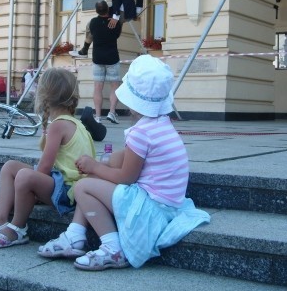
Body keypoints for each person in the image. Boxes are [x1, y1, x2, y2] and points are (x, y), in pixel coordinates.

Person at [38, 55, 210, 270]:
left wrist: (96, 166)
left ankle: (113, 248)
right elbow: (131, 156)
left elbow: (127, 177)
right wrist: (106, 163)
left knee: (83, 185)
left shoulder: (141, 132)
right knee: (92, 179)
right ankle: (75, 235)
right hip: (166, 205)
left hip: (150, 210)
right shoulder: (162, 124)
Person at [0, 68, 96, 248]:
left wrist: (31, 188)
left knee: (25, 176)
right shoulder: (75, 123)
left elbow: (44, 168)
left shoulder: (58, 126)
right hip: (67, 184)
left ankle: (18, 228)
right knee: (10, 167)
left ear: (43, 95)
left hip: (68, 193)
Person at [70, 0, 144, 58]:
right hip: (128, 12)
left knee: (91, 25)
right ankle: (86, 50)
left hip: (120, 12)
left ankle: (84, 51)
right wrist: (136, 12)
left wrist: (115, 16)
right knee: (104, 10)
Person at [89, 0, 122, 124]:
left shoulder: (93, 22)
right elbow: (117, 35)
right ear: (107, 9)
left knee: (98, 87)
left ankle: (97, 116)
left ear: (97, 10)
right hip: (112, 57)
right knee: (114, 86)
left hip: (97, 58)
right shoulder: (115, 23)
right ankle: (112, 112)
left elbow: (91, 34)